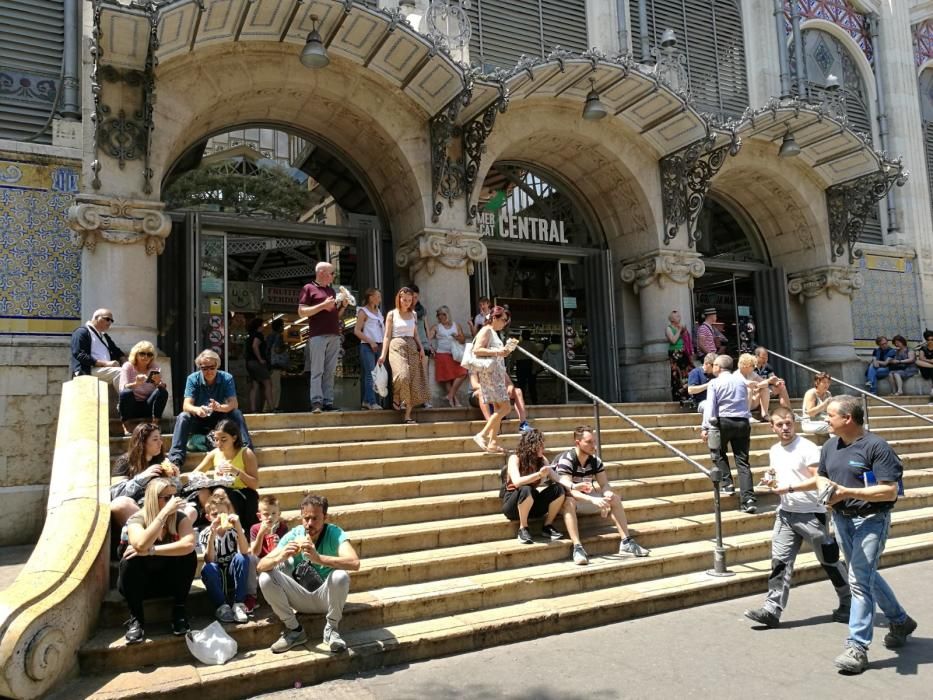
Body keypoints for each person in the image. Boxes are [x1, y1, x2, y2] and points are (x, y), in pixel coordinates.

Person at [815, 395, 915, 673]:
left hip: (871, 519)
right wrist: (827, 491)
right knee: (865, 573)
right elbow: (822, 475)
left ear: (847, 419)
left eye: (831, 415)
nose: (826, 420)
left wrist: (847, 492)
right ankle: (899, 620)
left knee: (858, 579)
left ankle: (857, 646)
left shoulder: (877, 447)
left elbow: (889, 490)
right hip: (842, 519)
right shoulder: (828, 447)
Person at [742, 407, 851, 629]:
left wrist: (790, 488)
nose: (785, 428)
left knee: (829, 560)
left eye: (789, 423)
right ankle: (772, 609)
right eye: (780, 425)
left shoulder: (808, 449)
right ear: (772, 427)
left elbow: (819, 480)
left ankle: (849, 602)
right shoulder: (774, 450)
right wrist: (770, 479)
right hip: (785, 514)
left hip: (811, 513)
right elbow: (776, 474)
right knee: (780, 562)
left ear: (795, 423)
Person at [258, 494, 361, 654]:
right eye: (306, 518)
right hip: (299, 598)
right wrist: (281, 556)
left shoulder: (334, 533)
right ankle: (294, 630)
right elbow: (260, 565)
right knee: (265, 577)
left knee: (340, 576)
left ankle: (331, 630)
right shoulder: (294, 534)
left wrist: (319, 559)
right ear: (301, 516)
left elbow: (354, 563)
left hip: (326, 599)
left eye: (315, 518)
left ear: (325, 517)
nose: (309, 523)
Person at [117, 478, 196, 644]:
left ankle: (179, 611)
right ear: (153, 499)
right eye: (167, 498)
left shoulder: (180, 518)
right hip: (141, 585)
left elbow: (188, 544)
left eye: (175, 496)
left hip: (168, 582)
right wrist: (163, 514)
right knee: (130, 559)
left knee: (189, 556)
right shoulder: (137, 519)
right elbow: (140, 544)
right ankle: (136, 618)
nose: (172, 502)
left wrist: (152, 551)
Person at [555, 425, 649, 557]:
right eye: (589, 442)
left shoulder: (595, 460)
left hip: (584, 498)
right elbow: (569, 490)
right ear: (578, 443)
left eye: (594, 441)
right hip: (560, 503)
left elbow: (604, 484)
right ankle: (577, 547)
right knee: (569, 501)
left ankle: (626, 542)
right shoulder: (567, 460)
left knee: (614, 498)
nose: (594, 446)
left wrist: (607, 493)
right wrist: (594, 499)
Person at [502, 429, 589, 564]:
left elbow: (557, 478)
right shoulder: (515, 458)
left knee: (558, 490)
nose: (544, 448)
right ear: (532, 445)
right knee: (526, 489)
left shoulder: (542, 460)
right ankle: (523, 528)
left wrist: (573, 486)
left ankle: (547, 526)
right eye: (541, 445)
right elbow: (517, 482)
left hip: (531, 502)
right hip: (513, 503)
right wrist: (538, 475)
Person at [167, 349, 253, 467]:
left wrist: (220, 407)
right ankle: (175, 459)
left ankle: (246, 451)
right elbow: (186, 405)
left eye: (212, 367)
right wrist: (197, 409)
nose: (208, 371)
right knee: (183, 416)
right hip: (199, 418)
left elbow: (233, 403)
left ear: (217, 365)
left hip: (219, 420)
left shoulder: (226, 378)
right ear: (200, 368)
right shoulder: (193, 379)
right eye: (204, 368)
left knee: (236, 413)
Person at [702, 354, 755, 513]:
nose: (713, 367)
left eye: (715, 365)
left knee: (717, 452)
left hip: (723, 421)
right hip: (742, 421)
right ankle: (748, 499)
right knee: (743, 461)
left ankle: (727, 483)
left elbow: (710, 406)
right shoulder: (740, 381)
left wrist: (705, 427)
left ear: (718, 366)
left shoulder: (714, 382)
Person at [298, 261, 349, 414]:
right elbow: (301, 312)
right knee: (317, 370)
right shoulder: (308, 288)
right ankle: (316, 402)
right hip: (317, 335)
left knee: (330, 371)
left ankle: (328, 401)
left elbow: (334, 315)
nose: (333, 276)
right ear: (321, 272)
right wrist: (322, 305)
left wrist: (344, 306)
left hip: (334, 335)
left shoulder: (331, 291)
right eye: (332, 273)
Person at [192, 418, 260, 532]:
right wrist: (204, 478)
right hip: (219, 491)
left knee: (220, 492)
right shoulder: (214, 454)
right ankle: (214, 524)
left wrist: (237, 472)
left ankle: (233, 529)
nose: (219, 443)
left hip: (241, 493)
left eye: (223, 439)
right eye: (216, 440)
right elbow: (196, 473)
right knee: (203, 491)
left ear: (234, 438)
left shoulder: (246, 453)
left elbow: (254, 484)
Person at [110, 423, 177, 529]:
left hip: (158, 505)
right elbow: (115, 493)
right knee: (120, 504)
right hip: (137, 508)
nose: (160, 443)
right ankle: (145, 535)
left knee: (189, 509)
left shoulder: (162, 462)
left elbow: (174, 492)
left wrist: (174, 478)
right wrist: (142, 478)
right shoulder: (125, 461)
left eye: (160, 438)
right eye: (155, 440)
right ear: (142, 443)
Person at [378, 287, 430, 424]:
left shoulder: (413, 314)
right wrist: (383, 354)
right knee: (402, 375)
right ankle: (396, 396)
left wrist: (422, 348)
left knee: (414, 380)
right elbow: (387, 336)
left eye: (409, 300)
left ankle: (407, 415)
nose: (407, 302)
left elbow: (416, 334)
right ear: (399, 299)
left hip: (412, 345)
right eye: (404, 300)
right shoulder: (392, 314)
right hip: (396, 345)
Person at [200, 493, 253, 624]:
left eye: (222, 513)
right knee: (208, 568)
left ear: (229, 513)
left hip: (232, 573)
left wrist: (238, 526)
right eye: (214, 514)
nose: (219, 517)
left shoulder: (233, 530)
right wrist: (212, 534)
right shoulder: (205, 533)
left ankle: (238, 603)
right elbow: (209, 560)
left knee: (243, 558)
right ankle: (222, 606)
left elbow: (245, 551)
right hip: (216, 574)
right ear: (208, 517)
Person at [471, 306, 518, 454]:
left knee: (499, 409)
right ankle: (482, 435)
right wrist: (499, 351)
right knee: (505, 408)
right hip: (490, 375)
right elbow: (477, 349)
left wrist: (504, 351)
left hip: (494, 374)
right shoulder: (486, 330)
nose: (505, 323)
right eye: (504, 320)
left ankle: (493, 442)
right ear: (494, 318)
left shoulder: (493, 332)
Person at [117, 341, 168, 434]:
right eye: (142, 353)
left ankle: (155, 424)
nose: (146, 357)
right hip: (131, 406)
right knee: (126, 392)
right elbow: (123, 388)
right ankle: (126, 426)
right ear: (135, 354)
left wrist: (159, 383)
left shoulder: (154, 367)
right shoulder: (128, 366)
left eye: (149, 354)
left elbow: (160, 387)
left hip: (147, 405)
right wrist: (136, 383)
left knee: (163, 391)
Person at [69, 308, 126, 389]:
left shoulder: (104, 336)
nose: (109, 322)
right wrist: (105, 363)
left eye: (111, 321)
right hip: (87, 370)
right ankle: (126, 400)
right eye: (107, 319)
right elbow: (79, 355)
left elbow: (117, 351)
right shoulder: (81, 332)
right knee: (120, 372)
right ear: (96, 318)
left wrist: (125, 363)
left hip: (104, 371)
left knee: (128, 372)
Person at [429, 305, 468, 407]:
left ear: (447, 314)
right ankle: (454, 400)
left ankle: (450, 395)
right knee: (446, 378)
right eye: (438, 315)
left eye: (442, 315)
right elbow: (427, 339)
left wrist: (457, 337)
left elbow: (463, 340)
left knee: (463, 372)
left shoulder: (456, 325)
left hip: (455, 355)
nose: (440, 317)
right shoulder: (436, 327)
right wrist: (431, 349)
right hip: (442, 355)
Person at [354, 288, 385, 410]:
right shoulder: (363, 311)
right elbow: (356, 330)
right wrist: (370, 341)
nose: (380, 299)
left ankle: (366, 401)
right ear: (371, 297)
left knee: (376, 374)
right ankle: (372, 402)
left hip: (379, 345)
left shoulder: (378, 311)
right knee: (370, 375)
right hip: (367, 346)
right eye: (378, 296)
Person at [245, 317, 273, 413]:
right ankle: (271, 407)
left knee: (255, 386)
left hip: (249, 362)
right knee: (268, 383)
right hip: (256, 362)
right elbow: (255, 346)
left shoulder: (250, 336)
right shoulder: (258, 335)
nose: (264, 327)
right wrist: (260, 359)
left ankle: (253, 409)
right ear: (259, 326)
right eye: (262, 325)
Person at [250, 494, 290, 559]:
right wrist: (260, 534)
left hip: (276, 559)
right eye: (266, 514)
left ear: (279, 514)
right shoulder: (255, 528)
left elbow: (285, 551)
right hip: (260, 560)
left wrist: (279, 545)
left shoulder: (283, 528)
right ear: (259, 516)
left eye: (274, 513)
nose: (270, 517)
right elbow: (254, 553)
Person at [753, 346, 791, 413]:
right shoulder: (751, 367)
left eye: (767, 357)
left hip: (766, 389)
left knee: (782, 387)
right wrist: (768, 381)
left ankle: (789, 411)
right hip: (755, 390)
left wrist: (778, 381)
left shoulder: (767, 366)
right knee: (764, 388)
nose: (765, 360)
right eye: (763, 358)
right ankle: (763, 413)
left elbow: (773, 379)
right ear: (756, 357)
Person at [665, 310, 692, 402]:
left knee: (686, 373)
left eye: (679, 316)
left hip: (683, 352)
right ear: (671, 319)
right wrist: (680, 330)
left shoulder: (681, 327)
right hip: (675, 353)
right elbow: (673, 340)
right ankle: (677, 396)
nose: (679, 318)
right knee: (676, 374)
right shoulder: (668, 328)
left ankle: (687, 395)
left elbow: (687, 339)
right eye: (677, 317)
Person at [266, 318, 290, 411]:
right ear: (279, 327)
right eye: (282, 326)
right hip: (275, 364)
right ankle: (274, 406)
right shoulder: (278, 336)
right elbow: (277, 350)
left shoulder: (269, 336)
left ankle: (267, 407)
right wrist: (285, 347)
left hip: (269, 364)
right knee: (276, 387)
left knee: (270, 387)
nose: (283, 328)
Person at [737, 352, 769, 420]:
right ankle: (747, 415)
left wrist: (759, 385)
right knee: (749, 389)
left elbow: (765, 383)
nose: (754, 367)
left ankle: (765, 415)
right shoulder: (736, 375)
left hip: (752, 401)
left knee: (765, 389)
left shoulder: (751, 373)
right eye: (753, 366)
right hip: (739, 403)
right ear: (746, 365)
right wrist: (754, 385)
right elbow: (747, 384)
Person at [513, 329, 539, 405]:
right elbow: (536, 358)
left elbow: (513, 358)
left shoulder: (518, 345)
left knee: (522, 385)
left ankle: (522, 401)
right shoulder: (533, 345)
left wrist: (511, 367)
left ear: (522, 336)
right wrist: (535, 368)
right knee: (531, 386)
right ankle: (534, 401)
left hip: (522, 365)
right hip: (527, 365)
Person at [915, 329, 933, 402]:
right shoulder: (923, 348)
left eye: (932, 339)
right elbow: (921, 358)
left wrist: (926, 360)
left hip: (930, 370)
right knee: (917, 361)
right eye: (929, 340)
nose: (931, 341)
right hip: (926, 369)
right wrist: (929, 361)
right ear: (926, 340)